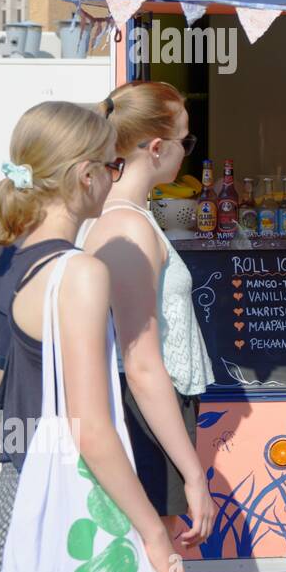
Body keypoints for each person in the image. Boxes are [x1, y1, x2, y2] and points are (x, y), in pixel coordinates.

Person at [0, 102, 184, 572]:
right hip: (65, 514)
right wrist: (154, 537)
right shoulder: (80, 274)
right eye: (113, 166)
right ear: (86, 176)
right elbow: (90, 428)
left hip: (9, 502)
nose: (117, 176)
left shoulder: (5, 255)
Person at [78, 81, 214, 546]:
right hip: (144, 417)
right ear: (157, 148)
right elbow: (140, 362)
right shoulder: (128, 226)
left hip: (145, 412)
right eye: (186, 141)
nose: (187, 153)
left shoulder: (127, 216)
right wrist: (194, 476)